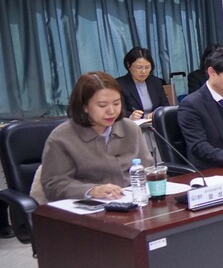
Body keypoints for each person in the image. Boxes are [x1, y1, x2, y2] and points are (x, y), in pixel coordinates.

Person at [37, 71, 153, 202]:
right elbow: (54, 185)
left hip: (132, 201)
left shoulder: (130, 128)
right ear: (84, 106)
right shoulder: (62, 137)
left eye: (116, 103)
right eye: (102, 105)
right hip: (87, 206)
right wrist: (91, 191)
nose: (111, 111)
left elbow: (147, 169)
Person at [115, 47, 169, 120]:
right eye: (139, 67)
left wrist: (156, 113)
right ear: (128, 65)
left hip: (155, 122)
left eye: (147, 67)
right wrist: (130, 116)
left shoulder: (156, 82)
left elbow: (165, 106)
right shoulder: (119, 84)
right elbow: (118, 111)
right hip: (133, 124)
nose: (143, 71)